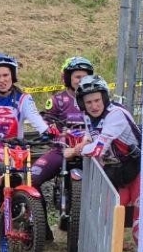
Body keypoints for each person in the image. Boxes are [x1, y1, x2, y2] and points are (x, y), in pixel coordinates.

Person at [69, 75, 142, 208]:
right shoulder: (87, 115)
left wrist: (76, 151)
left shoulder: (116, 114)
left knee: (139, 215)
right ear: (82, 104)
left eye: (97, 100)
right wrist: (85, 142)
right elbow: (90, 135)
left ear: (104, 98)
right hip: (117, 171)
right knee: (110, 214)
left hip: (138, 168)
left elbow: (97, 150)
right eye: (88, 102)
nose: (94, 106)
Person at [31, 56, 95, 198]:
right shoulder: (57, 101)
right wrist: (55, 135)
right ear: (67, 78)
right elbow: (46, 124)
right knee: (32, 178)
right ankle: (39, 212)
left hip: (91, 151)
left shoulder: (96, 100)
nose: (81, 81)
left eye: (85, 77)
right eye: (77, 77)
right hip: (62, 150)